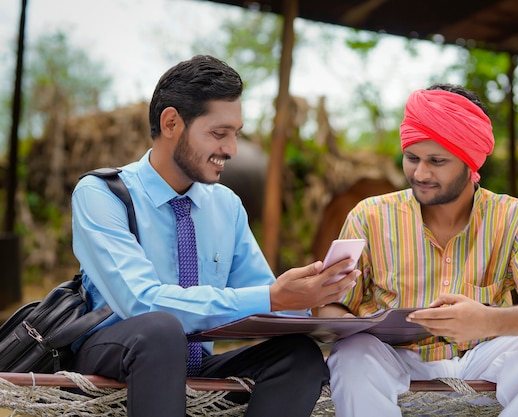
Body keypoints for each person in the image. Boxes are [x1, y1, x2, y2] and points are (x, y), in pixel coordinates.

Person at [70, 54, 359, 417]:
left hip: (196, 363)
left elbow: (265, 302)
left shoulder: (226, 205)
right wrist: (271, 297)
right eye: (218, 134)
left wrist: (325, 306)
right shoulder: (101, 194)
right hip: (113, 355)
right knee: (160, 330)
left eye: (235, 134)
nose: (231, 150)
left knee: (298, 353)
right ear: (171, 122)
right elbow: (142, 304)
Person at [318, 83, 518, 417]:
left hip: (484, 356)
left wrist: (489, 321)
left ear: (470, 163)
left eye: (437, 161)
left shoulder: (515, 217)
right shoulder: (369, 216)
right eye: (412, 158)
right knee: (351, 353)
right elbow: (331, 308)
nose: (420, 173)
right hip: (393, 359)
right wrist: (353, 324)